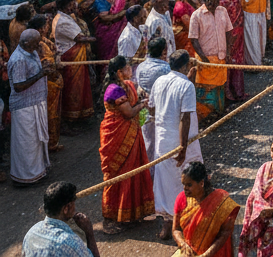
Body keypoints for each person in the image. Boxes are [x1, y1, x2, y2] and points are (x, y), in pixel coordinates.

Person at [99, 55, 154, 233]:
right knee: (116, 175)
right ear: (119, 72)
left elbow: (132, 104)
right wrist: (143, 104)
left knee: (134, 170)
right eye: (128, 67)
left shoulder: (127, 85)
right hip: (117, 135)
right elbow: (129, 113)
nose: (131, 69)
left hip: (131, 133)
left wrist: (139, 100)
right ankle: (110, 218)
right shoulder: (113, 90)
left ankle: (130, 214)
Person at [152, 49, 202, 238]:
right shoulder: (185, 86)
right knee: (187, 181)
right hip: (182, 141)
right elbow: (185, 118)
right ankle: (184, 223)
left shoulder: (159, 81)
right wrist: (182, 147)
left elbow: (156, 107)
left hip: (163, 140)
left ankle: (167, 225)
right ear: (185, 65)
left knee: (165, 184)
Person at [7, 28, 52, 185]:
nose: (38, 44)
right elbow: (18, 86)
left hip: (35, 102)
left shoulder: (30, 51)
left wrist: (43, 67)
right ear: (26, 43)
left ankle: (38, 171)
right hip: (24, 107)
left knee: (35, 141)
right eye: (35, 42)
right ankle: (25, 176)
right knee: (26, 142)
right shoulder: (19, 59)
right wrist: (41, 74)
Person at [171, 160, 240, 257]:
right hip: (188, 252)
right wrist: (183, 244)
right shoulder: (181, 198)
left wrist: (206, 255)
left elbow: (226, 232)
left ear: (201, 183)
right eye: (183, 184)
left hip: (214, 253)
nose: (185, 188)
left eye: (189, 185)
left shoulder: (221, 202)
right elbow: (176, 229)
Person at [23, 180, 101, 257]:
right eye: (73, 203)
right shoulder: (70, 242)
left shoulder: (31, 232)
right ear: (66, 208)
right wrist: (89, 233)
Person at [189, 0, 233, 118]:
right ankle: (206, 115)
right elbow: (193, 39)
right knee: (206, 89)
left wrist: (228, 51)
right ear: (204, 0)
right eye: (209, 1)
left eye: (214, 1)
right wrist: (203, 58)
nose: (212, 4)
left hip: (220, 57)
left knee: (220, 85)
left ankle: (218, 111)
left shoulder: (222, 11)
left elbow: (229, 31)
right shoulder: (196, 15)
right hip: (205, 60)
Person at [53, 0, 94, 123]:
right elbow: (79, 38)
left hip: (75, 56)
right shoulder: (62, 20)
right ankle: (71, 118)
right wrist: (94, 39)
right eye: (73, 3)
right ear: (68, 5)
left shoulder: (65, 16)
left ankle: (79, 114)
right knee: (73, 88)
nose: (75, 5)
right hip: (71, 57)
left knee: (79, 86)